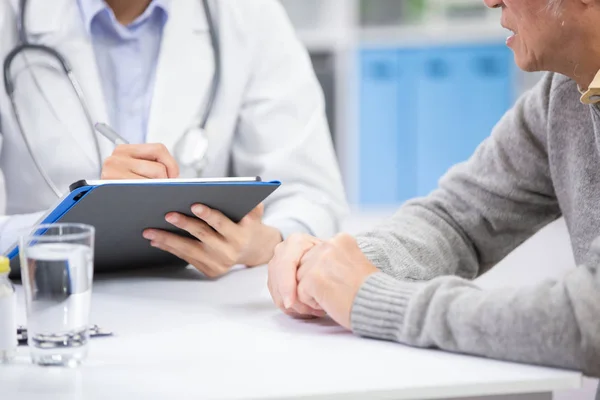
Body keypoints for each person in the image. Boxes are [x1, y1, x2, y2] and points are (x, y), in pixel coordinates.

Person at [267, 0, 600, 380]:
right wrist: (333, 267)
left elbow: (588, 320)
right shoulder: (564, 94)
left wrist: (376, 301)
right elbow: (458, 218)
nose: (490, 1)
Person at [0, 0, 347, 277]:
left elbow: (313, 194)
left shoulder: (248, 13)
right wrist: (63, 226)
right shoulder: (9, 16)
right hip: (52, 305)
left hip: (201, 315)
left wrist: (263, 243)